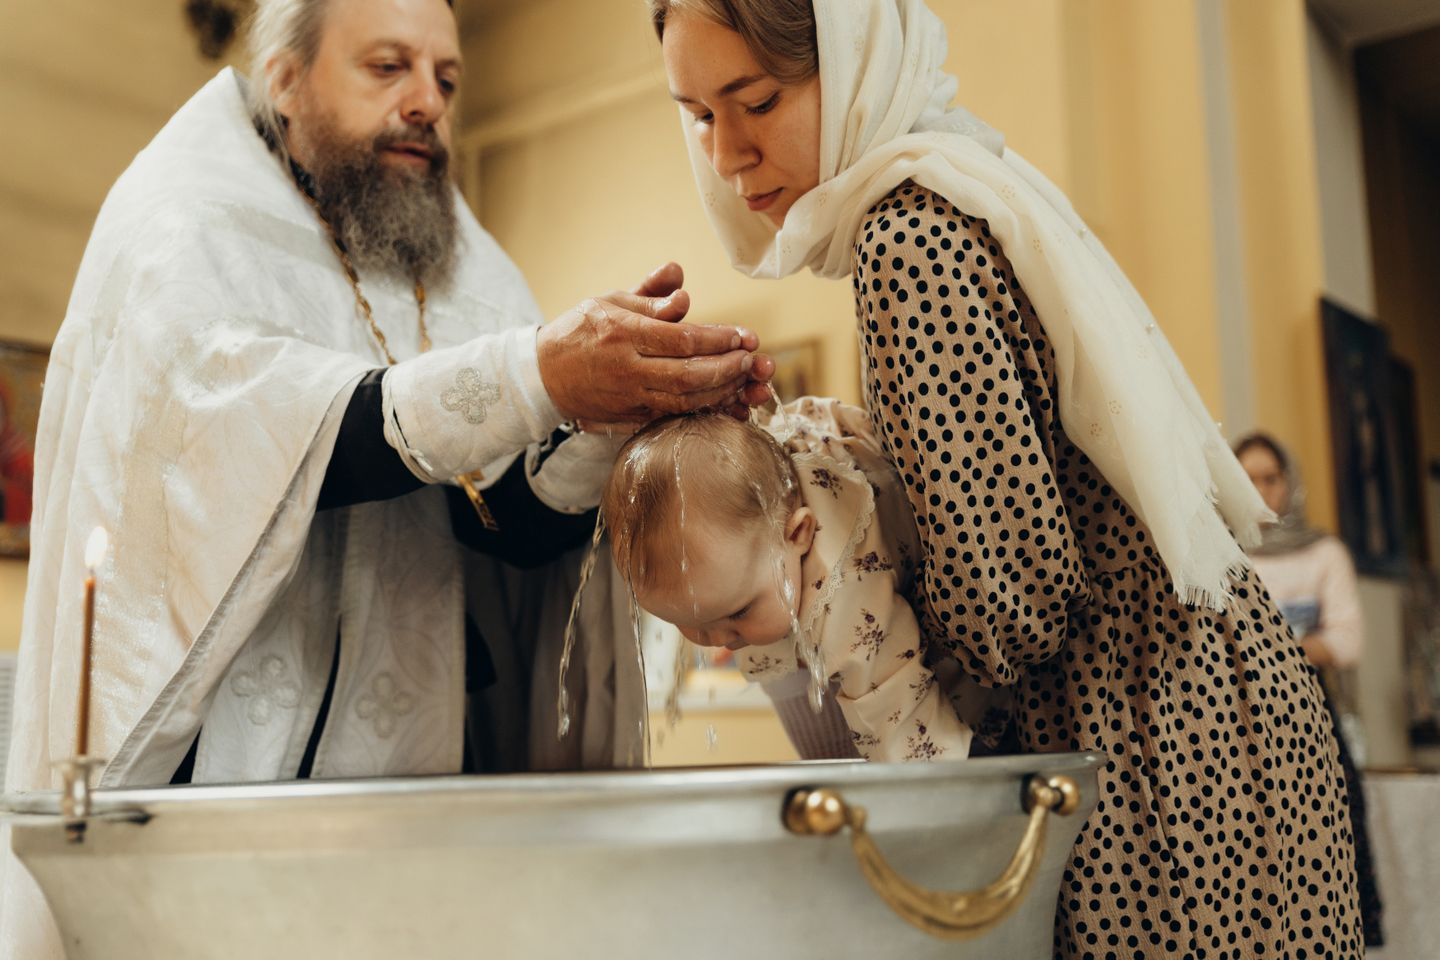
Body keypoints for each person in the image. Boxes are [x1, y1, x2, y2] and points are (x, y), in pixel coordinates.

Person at [2, 0, 774, 956]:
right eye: (387, 67)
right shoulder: (185, 215)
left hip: (418, 774)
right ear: (285, 78)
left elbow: (501, 531)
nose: (426, 102)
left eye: (445, 79)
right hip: (218, 788)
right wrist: (534, 374)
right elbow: (250, 442)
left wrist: (601, 422)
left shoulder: (462, 265)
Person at [647, 0, 1362, 956]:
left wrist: (839, 585)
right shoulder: (958, 184)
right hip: (1213, 708)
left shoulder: (906, 243)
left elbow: (1008, 608)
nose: (729, 154)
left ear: (852, 61)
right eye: (700, 115)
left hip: (1144, 754)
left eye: (759, 101)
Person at [601, 398, 1009, 762]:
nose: (717, 639)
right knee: (770, 636)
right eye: (687, 621)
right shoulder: (748, 567)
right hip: (798, 509)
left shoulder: (845, 587)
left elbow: (896, 705)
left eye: (737, 612)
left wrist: (949, 778)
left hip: (960, 560)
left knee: (935, 711)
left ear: (799, 534)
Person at [1235, 431, 1384, 948]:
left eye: (1270, 478)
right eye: (1247, 479)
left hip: (1308, 710)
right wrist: (1297, 643)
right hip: (1237, 715)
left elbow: (1346, 640)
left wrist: (1272, 651)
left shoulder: (1322, 552)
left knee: (1331, 822)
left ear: (1288, 483)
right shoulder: (1222, 553)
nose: (1260, 491)